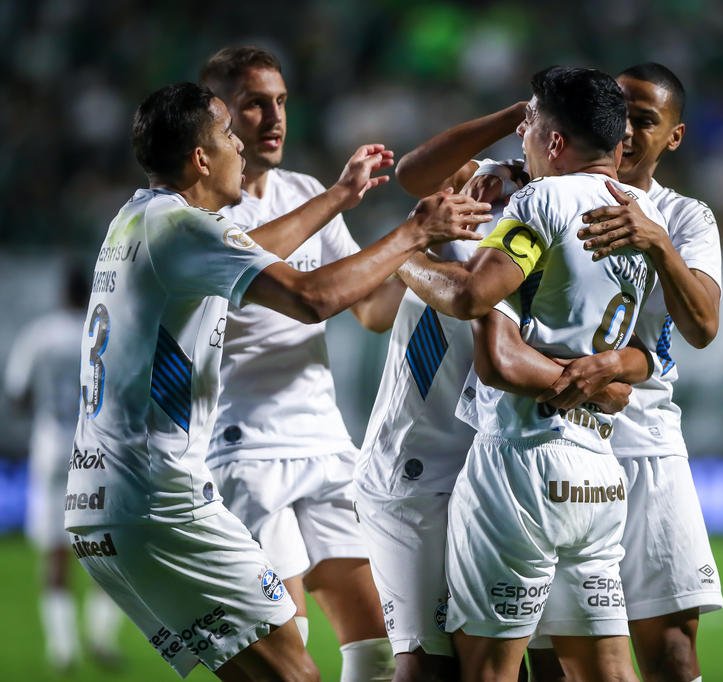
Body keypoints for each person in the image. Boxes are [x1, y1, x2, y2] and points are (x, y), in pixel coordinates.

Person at [65, 80, 490, 681]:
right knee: (296, 674)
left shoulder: (138, 221)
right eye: (228, 136)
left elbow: (257, 251)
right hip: (165, 500)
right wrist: (414, 233)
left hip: (105, 504)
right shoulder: (182, 229)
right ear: (200, 158)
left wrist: (340, 197)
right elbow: (312, 297)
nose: (242, 147)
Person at [397, 65, 666, 682]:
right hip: (599, 470)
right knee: (607, 671)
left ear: (552, 142)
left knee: (490, 670)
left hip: (523, 462)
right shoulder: (641, 211)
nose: (520, 143)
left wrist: (402, 256)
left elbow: (473, 296)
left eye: (529, 130)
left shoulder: (539, 201)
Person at [200, 46, 398, 681]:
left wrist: (443, 249)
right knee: (288, 652)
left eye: (280, 101)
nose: (273, 116)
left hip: (322, 437)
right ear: (218, 116)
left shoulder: (302, 192)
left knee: (377, 648)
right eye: (254, 103)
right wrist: (402, 234)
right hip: (244, 447)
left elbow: (369, 309)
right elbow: (312, 300)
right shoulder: (197, 214)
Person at [528, 63, 723, 682]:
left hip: (644, 445)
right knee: (557, 657)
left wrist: (657, 242)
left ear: (675, 137)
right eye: (622, 116)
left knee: (671, 649)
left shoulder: (686, 217)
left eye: (647, 121)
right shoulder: (543, 190)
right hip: (553, 439)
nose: (629, 133)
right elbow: (416, 179)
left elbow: (702, 328)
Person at [353, 101, 530, 682]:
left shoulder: (584, 217)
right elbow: (413, 175)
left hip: (497, 467)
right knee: (426, 662)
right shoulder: (489, 184)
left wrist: (408, 249)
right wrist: (514, 117)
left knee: (496, 660)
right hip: (416, 462)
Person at [4, 264, 122, 672]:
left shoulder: (40, 334)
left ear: (60, 293)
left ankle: (62, 648)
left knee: (56, 552)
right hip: (95, 452)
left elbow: (17, 394)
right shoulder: (101, 333)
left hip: (51, 448)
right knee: (104, 548)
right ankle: (102, 639)